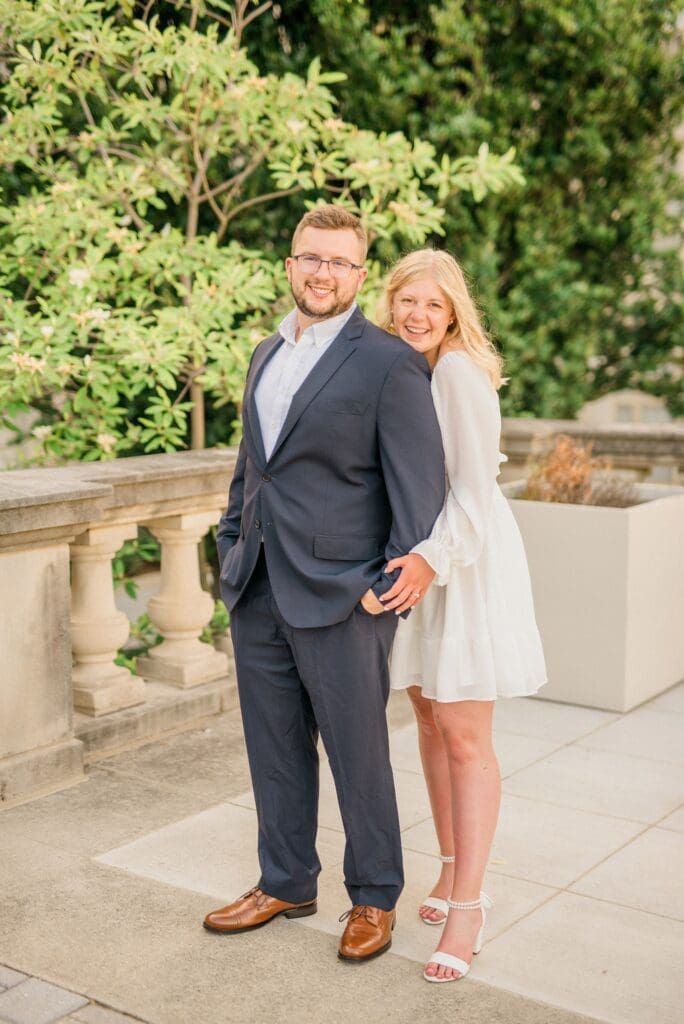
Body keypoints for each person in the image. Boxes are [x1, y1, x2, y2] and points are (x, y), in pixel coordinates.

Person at [204, 207, 445, 963]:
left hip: (346, 595)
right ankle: (285, 881)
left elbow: (418, 490)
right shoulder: (264, 353)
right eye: (311, 258)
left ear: (361, 275)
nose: (322, 273)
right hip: (258, 584)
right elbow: (254, 466)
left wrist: (381, 585)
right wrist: (230, 544)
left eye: (340, 262)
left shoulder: (389, 363)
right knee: (273, 747)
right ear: (290, 263)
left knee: (357, 753)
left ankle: (375, 896)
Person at [379, 249, 547, 983]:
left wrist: (429, 560)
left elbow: (474, 494)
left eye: (434, 304)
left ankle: (470, 906)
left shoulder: (455, 373)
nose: (418, 315)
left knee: (465, 732)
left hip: (461, 560)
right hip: (421, 554)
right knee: (427, 716)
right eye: (407, 301)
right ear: (391, 303)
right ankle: (449, 868)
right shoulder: (406, 369)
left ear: (453, 314)